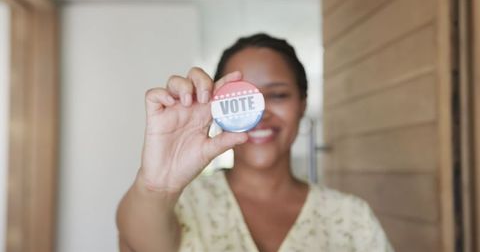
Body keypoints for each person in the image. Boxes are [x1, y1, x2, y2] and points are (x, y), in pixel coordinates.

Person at [116, 33, 394, 252]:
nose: (260, 113)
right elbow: (136, 243)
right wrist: (156, 187)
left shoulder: (351, 217)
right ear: (215, 106)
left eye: (278, 95)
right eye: (242, 99)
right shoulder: (180, 203)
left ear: (302, 105)